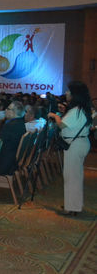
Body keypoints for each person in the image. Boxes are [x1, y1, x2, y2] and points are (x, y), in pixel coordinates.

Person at [48, 81, 92, 216]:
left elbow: (62, 125)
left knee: (71, 177)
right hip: (79, 143)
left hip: (75, 145)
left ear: (75, 95)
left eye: (69, 91)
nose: (66, 93)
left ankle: (72, 207)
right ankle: (74, 205)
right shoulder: (81, 109)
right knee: (75, 176)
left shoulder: (76, 111)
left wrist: (55, 116)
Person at [0, 101, 26, 178]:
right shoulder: (21, 123)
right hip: (13, 161)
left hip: (4, 163)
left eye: (8, 108)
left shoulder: (10, 126)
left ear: (13, 112)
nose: (5, 110)